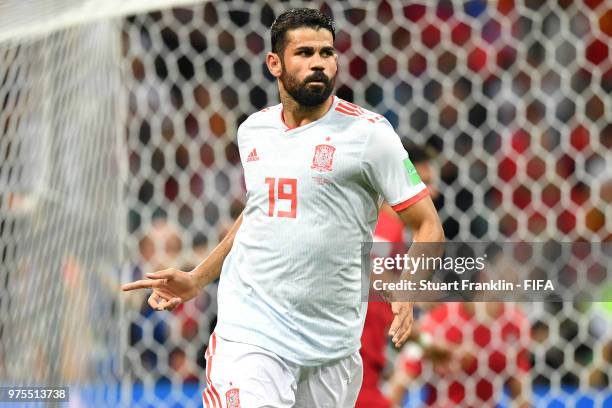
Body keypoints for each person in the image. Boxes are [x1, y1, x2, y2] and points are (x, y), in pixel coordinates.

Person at [122, 8, 444, 408]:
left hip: (332, 349)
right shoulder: (253, 131)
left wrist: (408, 290)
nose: (318, 63)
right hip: (252, 334)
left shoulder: (371, 136)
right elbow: (259, 212)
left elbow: (429, 226)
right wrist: (197, 278)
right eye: (304, 52)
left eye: (326, 53)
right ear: (274, 63)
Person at [356, 142, 440, 408]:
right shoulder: (385, 227)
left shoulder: (392, 235)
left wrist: (428, 344)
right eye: (423, 182)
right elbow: (367, 270)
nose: (433, 193)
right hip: (354, 371)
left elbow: (389, 311)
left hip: (363, 371)